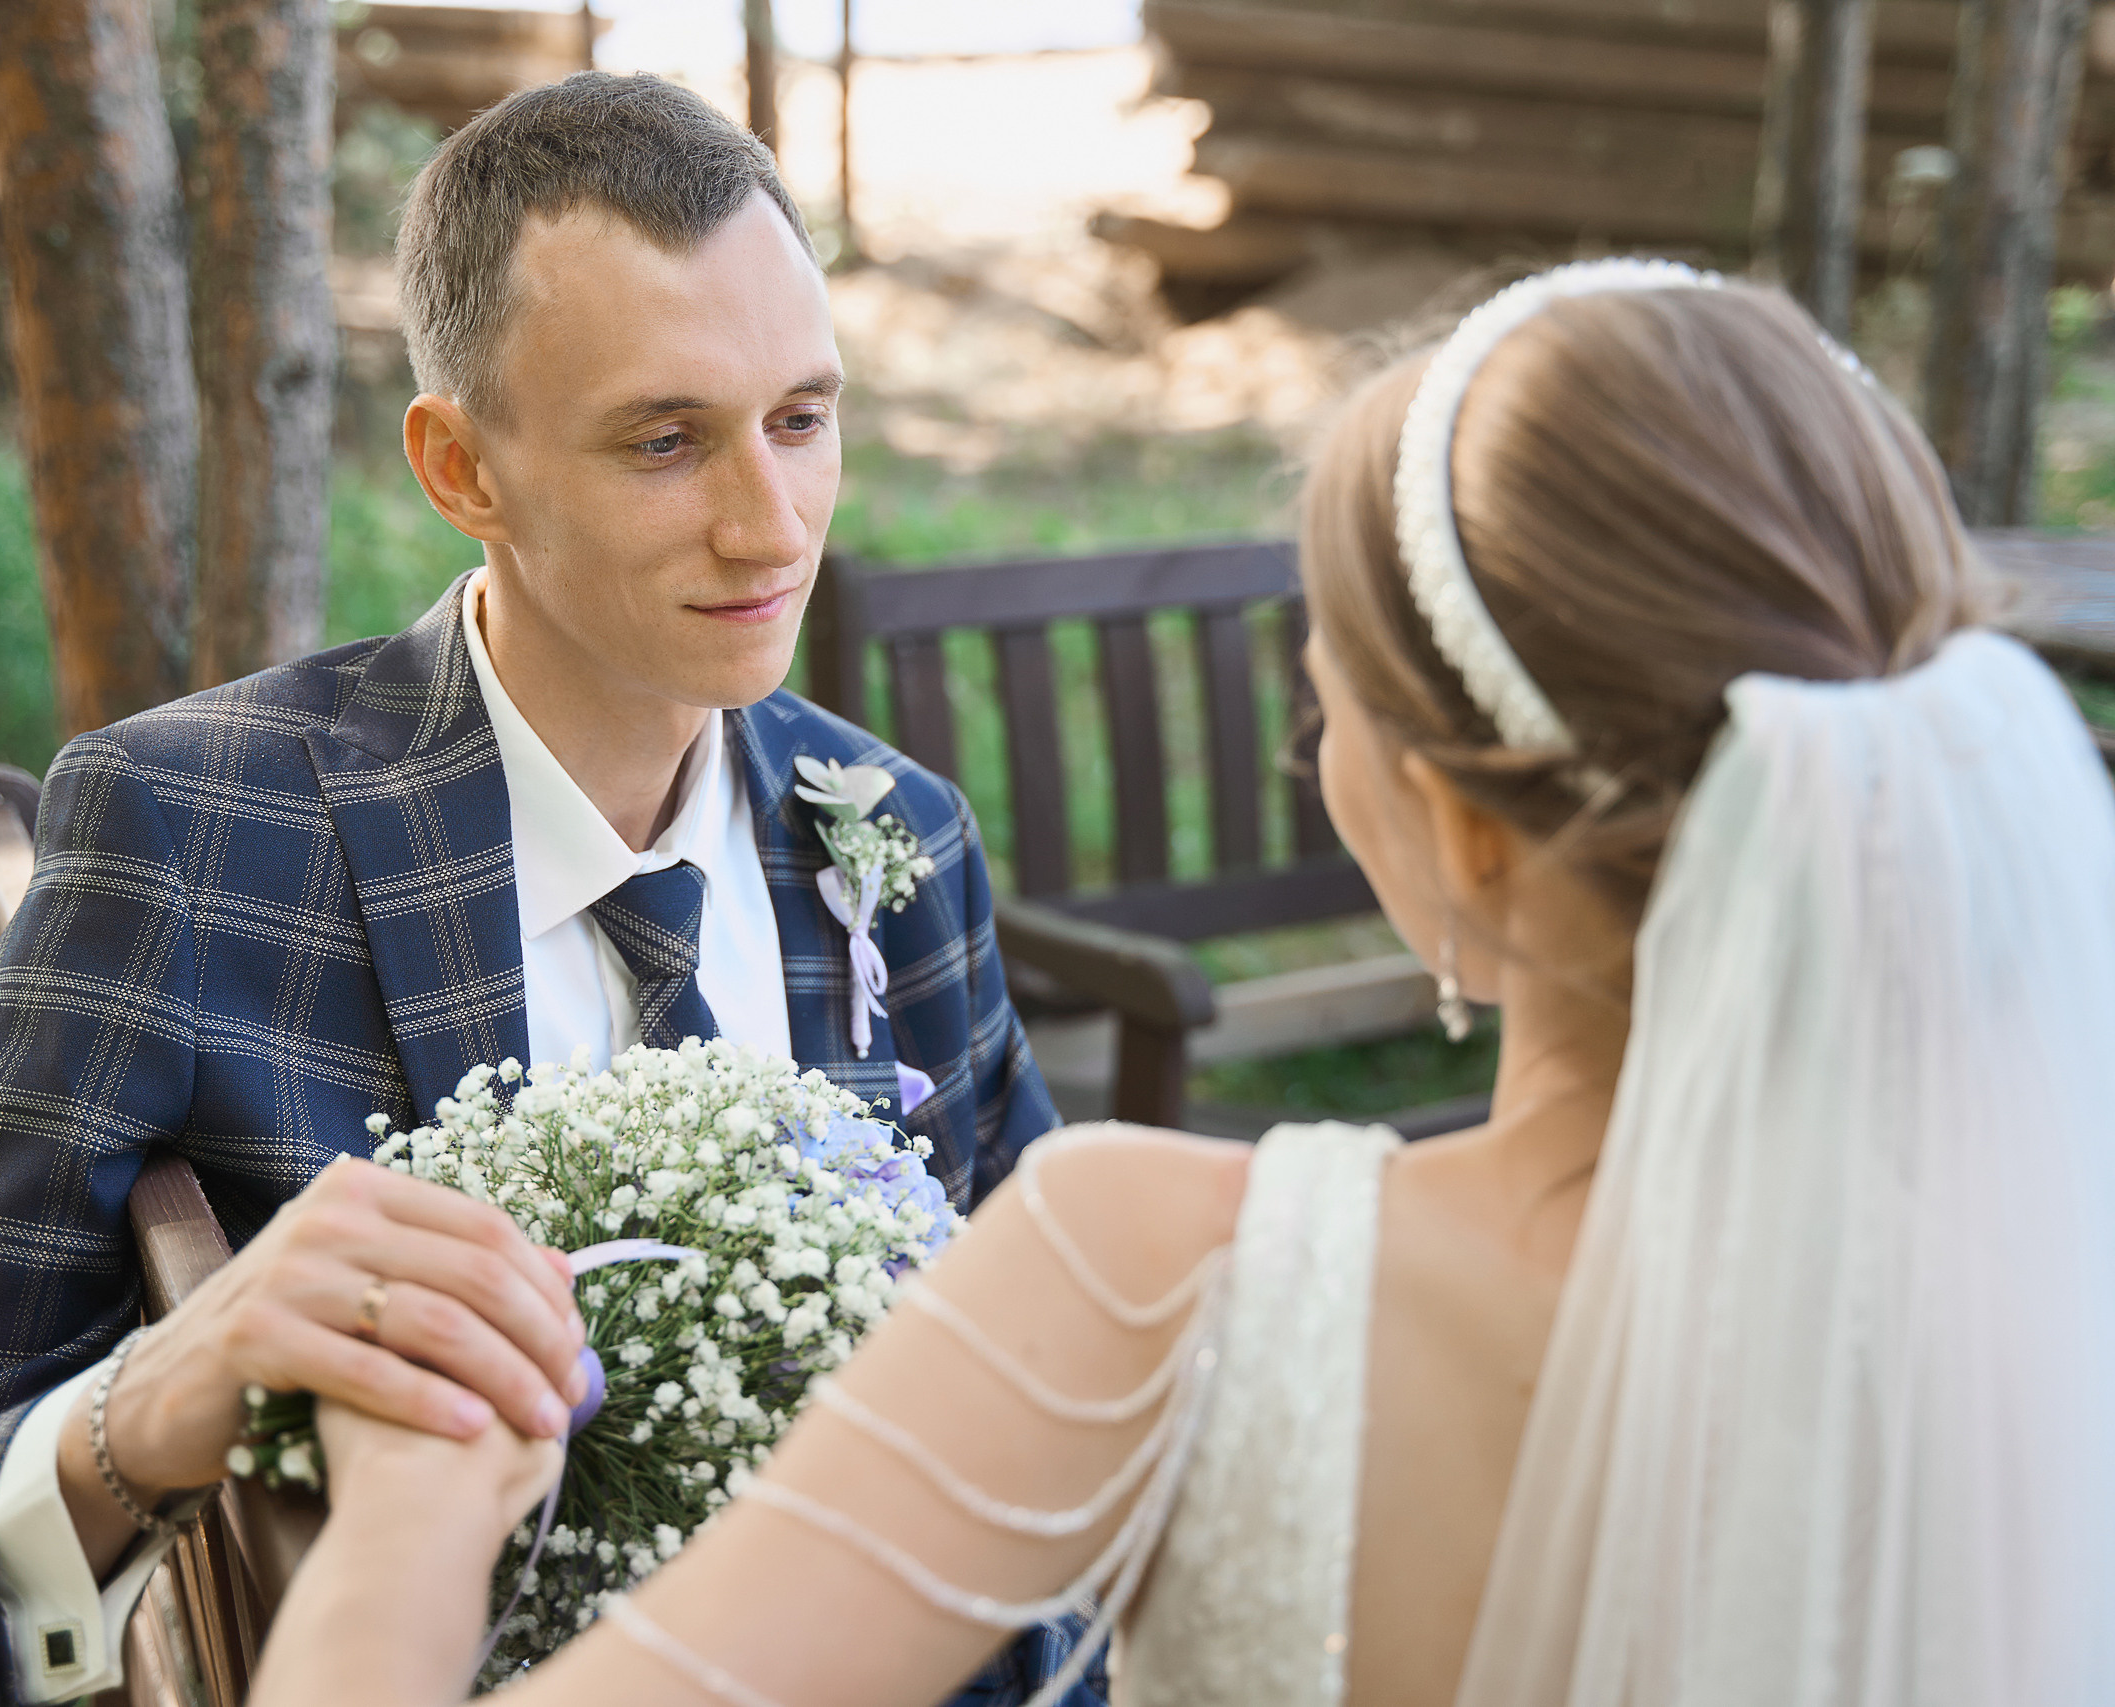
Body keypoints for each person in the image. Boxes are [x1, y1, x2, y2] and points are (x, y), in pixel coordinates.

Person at [238, 262, 2115, 1707]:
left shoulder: (1166, 1280)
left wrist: (412, 1510)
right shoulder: (2041, 1309)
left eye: (1332, 698)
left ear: (1466, 837)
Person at [0, 74, 1100, 1707]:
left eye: (801, 419)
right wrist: (157, 1403)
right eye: (665, 441)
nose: (772, 526)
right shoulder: (194, 842)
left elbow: (1050, 1411)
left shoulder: (892, 840)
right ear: (462, 469)